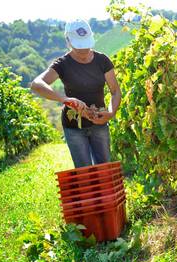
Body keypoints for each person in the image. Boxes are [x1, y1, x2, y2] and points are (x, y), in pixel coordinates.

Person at [31, 19, 121, 168]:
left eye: (86, 46)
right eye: (79, 48)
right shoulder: (62, 64)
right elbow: (36, 84)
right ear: (68, 41)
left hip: (99, 123)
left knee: (104, 167)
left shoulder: (102, 60)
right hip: (74, 128)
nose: (84, 52)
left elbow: (115, 91)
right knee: (84, 170)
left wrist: (111, 113)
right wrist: (65, 99)